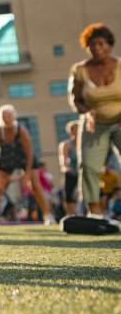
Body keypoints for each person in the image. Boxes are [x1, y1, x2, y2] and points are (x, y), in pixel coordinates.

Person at [70, 23, 121, 217]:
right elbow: (76, 99)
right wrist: (87, 113)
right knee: (88, 165)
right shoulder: (80, 70)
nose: (96, 48)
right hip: (94, 124)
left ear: (110, 45)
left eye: (100, 44)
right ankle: (94, 213)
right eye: (91, 45)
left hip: (120, 121)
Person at [0, 105, 53, 224]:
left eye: (9, 116)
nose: (6, 118)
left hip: (25, 158)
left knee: (35, 185)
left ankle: (48, 216)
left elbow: (30, 153)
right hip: (6, 159)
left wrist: (26, 174)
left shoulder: (21, 130)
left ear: (14, 117)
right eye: (4, 116)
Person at [58, 119, 82, 217]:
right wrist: (65, 168)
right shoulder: (66, 144)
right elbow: (63, 160)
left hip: (83, 171)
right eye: (75, 130)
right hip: (72, 171)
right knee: (68, 194)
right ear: (70, 132)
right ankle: (70, 215)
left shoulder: (84, 143)